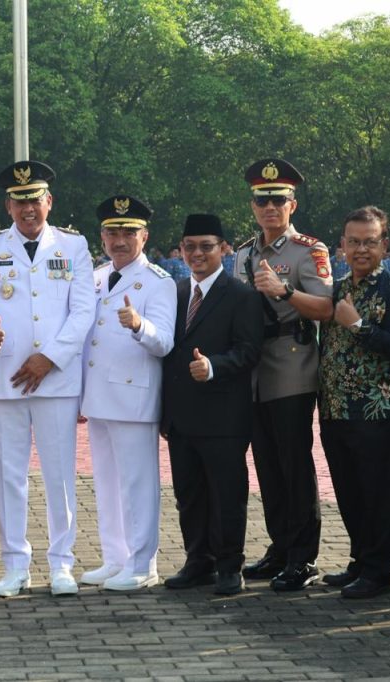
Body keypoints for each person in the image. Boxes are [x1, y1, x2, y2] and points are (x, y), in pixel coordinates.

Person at [0, 160, 95, 597]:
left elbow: (83, 311)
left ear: (48, 201)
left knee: (59, 475)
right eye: (19, 202)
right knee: (9, 476)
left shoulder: (73, 246)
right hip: (6, 377)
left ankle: (62, 565)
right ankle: (15, 566)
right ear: (8, 207)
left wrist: (49, 358)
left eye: (34, 200)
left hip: (55, 380)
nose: (28, 209)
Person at [232, 158, 333, 591]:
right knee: (267, 465)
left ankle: (302, 557)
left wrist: (285, 290)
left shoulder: (309, 250)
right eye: (262, 200)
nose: (270, 207)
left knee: (294, 464)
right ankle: (280, 546)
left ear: (293, 204)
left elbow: (327, 307)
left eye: (278, 199)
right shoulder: (243, 253)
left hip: (292, 364)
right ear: (253, 206)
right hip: (254, 369)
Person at [161, 213, 263, 596]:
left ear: (224, 249)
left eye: (206, 246)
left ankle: (229, 566)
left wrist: (214, 366)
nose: (197, 254)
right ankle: (197, 562)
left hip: (223, 416)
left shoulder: (241, 295)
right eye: (190, 247)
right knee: (189, 494)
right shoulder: (174, 293)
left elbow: (249, 351)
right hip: (182, 416)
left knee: (227, 495)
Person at [78, 195, 175, 591]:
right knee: (106, 483)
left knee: (137, 485)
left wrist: (139, 325)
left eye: (128, 232)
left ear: (144, 236)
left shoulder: (158, 282)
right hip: (99, 395)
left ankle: (142, 563)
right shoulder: (96, 277)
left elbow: (164, 342)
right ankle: (115, 558)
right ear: (102, 236)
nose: (119, 240)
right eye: (112, 232)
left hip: (133, 398)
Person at [318, 206, 390, 599]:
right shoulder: (337, 288)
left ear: (384, 245)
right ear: (342, 245)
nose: (361, 249)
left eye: (370, 242)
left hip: (377, 411)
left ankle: (378, 573)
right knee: (349, 491)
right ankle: (360, 561)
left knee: (378, 495)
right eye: (354, 242)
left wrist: (358, 325)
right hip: (335, 409)